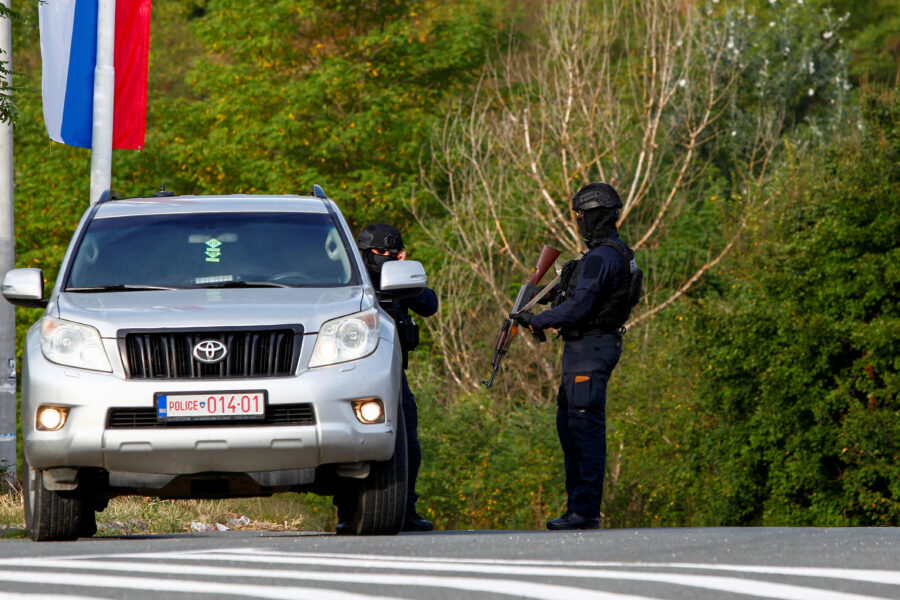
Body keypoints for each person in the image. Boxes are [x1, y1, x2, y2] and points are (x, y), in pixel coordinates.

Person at [513, 183, 641, 530]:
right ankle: (578, 509)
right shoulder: (609, 253)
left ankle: (584, 512)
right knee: (570, 427)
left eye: (582, 216)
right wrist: (538, 300)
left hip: (591, 349)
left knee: (584, 428)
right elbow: (576, 297)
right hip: (585, 349)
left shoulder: (603, 257)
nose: (580, 222)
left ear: (595, 216)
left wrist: (537, 320)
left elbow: (581, 306)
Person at [335, 224, 438, 533]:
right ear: (366, 254)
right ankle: (347, 512)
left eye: (394, 253)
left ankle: (406, 509)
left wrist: (401, 272)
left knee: (409, 445)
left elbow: (429, 305)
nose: (388, 258)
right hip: (348, 373)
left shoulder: (398, 280)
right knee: (349, 445)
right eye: (382, 253)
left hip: (391, 375)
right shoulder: (348, 281)